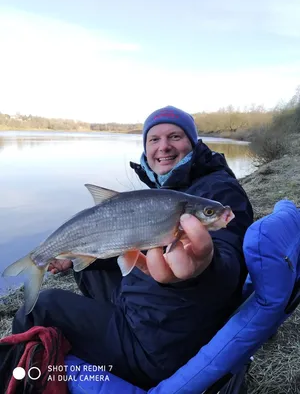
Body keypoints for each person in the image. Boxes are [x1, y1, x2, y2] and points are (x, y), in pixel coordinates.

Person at [11, 105, 253, 390]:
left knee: (39, 308)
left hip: (160, 346)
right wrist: (76, 254)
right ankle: (96, 319)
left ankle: (24, 381)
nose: (163, 147)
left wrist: (203, 267)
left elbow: (229, 259)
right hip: (154, 312)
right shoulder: (171, 191)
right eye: (154, 139)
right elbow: (131, 243)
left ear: (194, 143)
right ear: (146, 149)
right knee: (89, 271)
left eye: (175, 137)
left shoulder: (218, 191)